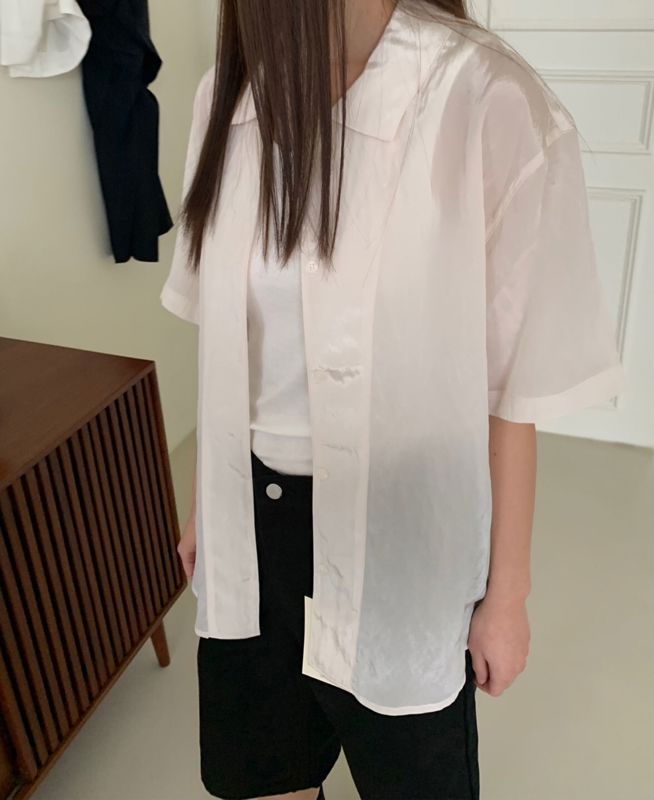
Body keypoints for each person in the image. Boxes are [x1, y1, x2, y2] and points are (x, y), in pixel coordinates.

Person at [159, 1, 627, 798]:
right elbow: (226, 343)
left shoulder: (484, 98)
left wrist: (506, 595)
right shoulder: (228, 97)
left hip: (404, 535)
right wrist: (209, 505)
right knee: (262, 774)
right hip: (253, 526)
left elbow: (509, 392)